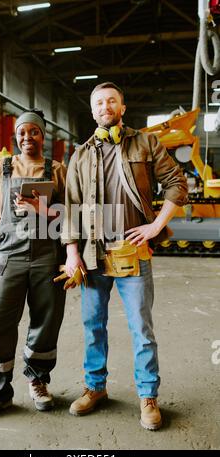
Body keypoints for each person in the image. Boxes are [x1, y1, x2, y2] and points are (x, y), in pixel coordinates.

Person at [61, 82, 188, 430]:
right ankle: (95, 388)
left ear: (122, 106)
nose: (105, 106)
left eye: (111, 101)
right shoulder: (82, 154)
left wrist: (155, 226)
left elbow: (177, 183)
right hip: (92, 256)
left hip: (134, 251)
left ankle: (148, 396)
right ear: (92, 111)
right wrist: (72, 254)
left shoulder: (146, 143)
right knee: (92, 327)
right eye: (99, 102)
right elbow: (70, 208)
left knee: (141, 329)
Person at [0, 109, 66, 419]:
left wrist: (44, 208)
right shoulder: (2, 166)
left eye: (33, 132)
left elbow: (74, 213)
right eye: (21, 132)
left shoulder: (58, 169)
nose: (27, 137)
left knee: (46, 321)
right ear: (16, 137)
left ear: (43, 136)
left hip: (48, 254)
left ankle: (38, 381)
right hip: (9, 254)